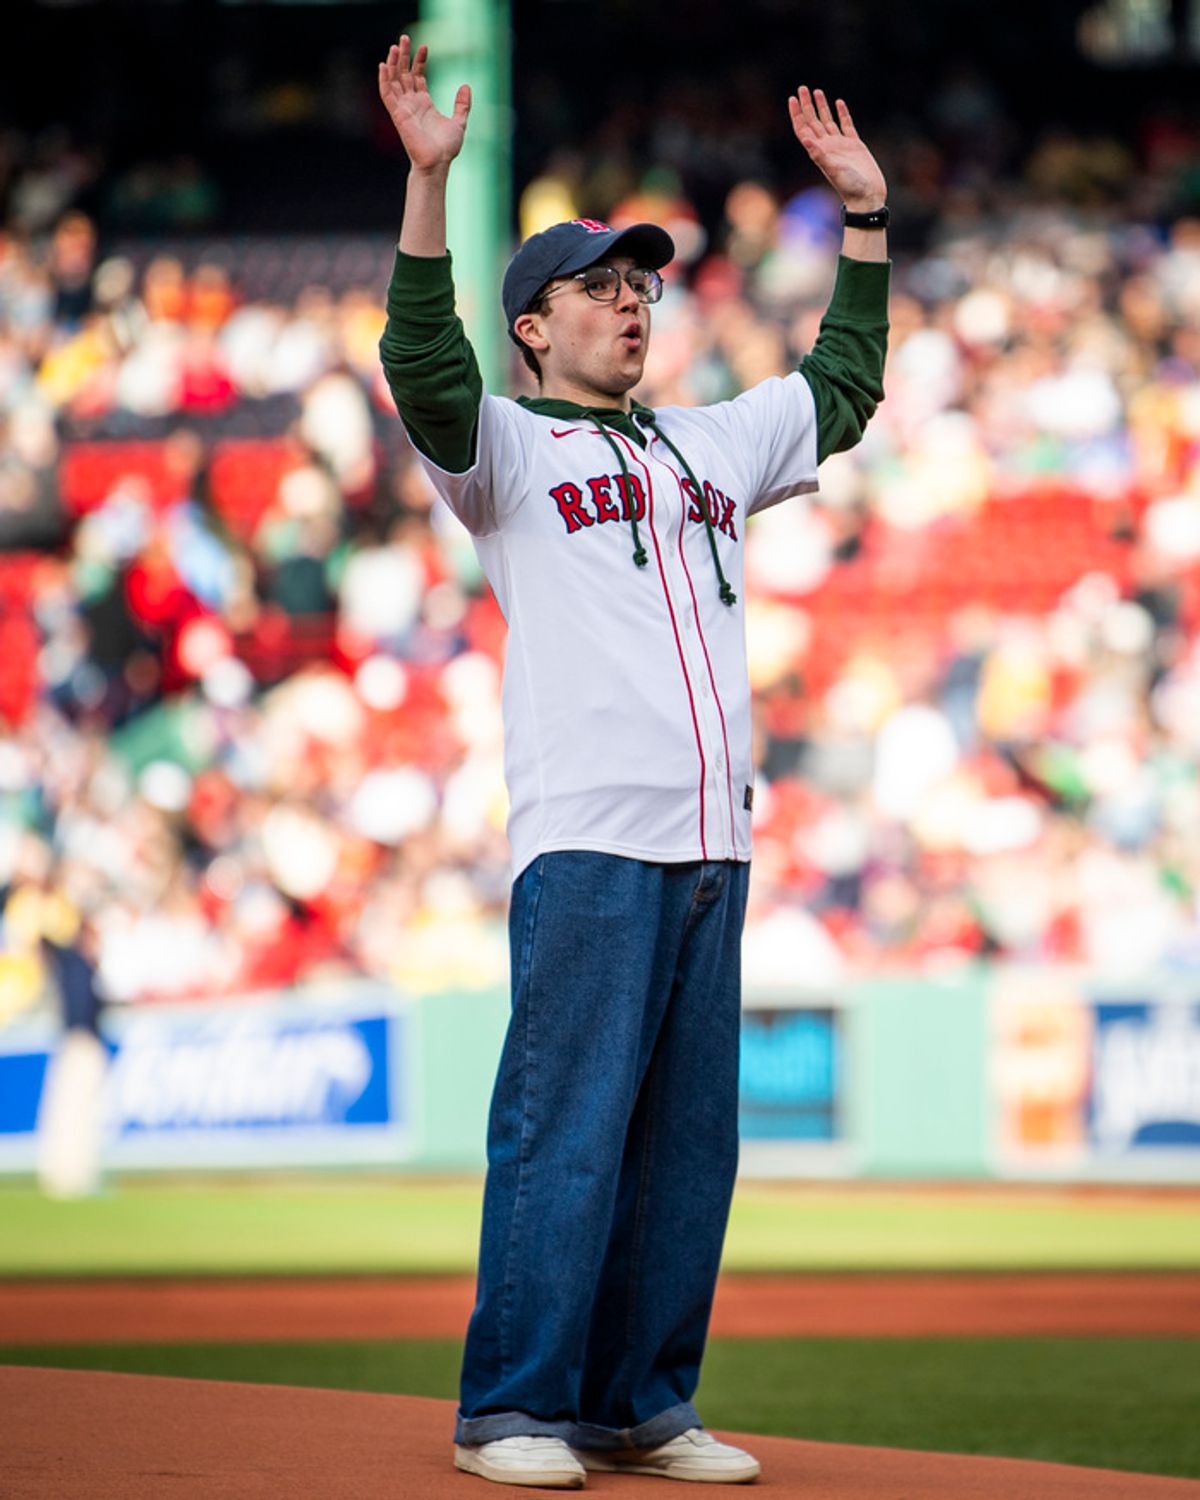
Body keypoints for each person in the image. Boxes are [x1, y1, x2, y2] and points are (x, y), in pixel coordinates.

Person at [377, 34, 889, 1490]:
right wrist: (430, 187)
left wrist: (866, 222)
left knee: (684, 1154)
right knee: (568, 1134)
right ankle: (510, 1409)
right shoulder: (503, 453)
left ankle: (640, 1403)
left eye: (642, 284)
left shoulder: (709, 444)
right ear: (533, 326)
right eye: (599, 284)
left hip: (716, 842)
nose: (631, 300)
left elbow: (843, 386)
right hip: (592, 838)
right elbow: (422, 361)